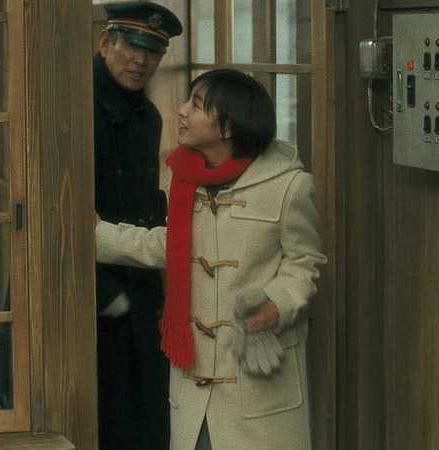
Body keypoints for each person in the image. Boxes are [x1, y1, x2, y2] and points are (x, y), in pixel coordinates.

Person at [95, 69, 326, 449]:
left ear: (227, 128)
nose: (182, 110)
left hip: (257, 384)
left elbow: (305, 262)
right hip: (193, 386)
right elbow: (171, 246)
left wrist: (277, 305)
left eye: (197, 105)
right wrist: (96, 234)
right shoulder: (183, 178)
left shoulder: (289, 185)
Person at [92, 2, 182, 449]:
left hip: (138, 289)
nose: (141, 60)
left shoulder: (149, 115)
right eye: (131, 45)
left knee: (145, 419)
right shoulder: (72, 106)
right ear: (105, 42)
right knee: (94, 420)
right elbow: (53, 215)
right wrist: (105, 294)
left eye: (153, 51)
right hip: (82, 289)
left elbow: (145, 207)